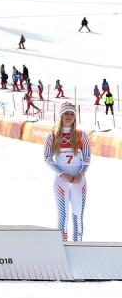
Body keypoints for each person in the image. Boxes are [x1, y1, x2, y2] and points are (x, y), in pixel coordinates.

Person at [45, 103, 90, 241]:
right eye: (66, 113)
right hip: (61, 182)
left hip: (78, 181)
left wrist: (80, 174)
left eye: (72, 114)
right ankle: (62, 248)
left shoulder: (81, 135)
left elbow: (87, 158)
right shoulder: (52, 135)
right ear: (61, 115)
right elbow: (47, 159)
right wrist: (62, 174)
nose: (69, 116)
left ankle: (78, 246)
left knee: (77, 215)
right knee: (63, 217)